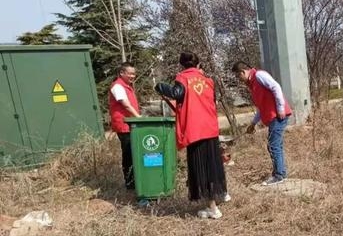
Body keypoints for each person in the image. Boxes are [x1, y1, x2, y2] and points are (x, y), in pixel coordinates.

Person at [155, 52, 229, 219]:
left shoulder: (183, 78)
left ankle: (212, 208)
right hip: (210, 127)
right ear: (198, 63)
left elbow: (176, 93)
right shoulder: (208, 81)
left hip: (195, 130)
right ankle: (223, 193)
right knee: (214, 163)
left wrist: (160, 87)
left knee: (201, 167)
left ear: (182, 65)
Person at [232, 61, 292, 185]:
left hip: (278, 115)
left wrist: (280, 108)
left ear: (243, 72)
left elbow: (276, 87)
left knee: (273, 146)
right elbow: (261, 106)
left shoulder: (259, 76)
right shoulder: (252, 84)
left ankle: (279, 175)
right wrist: (253, 123)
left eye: (238, 76)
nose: (239, 79)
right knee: (276, 146)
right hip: (273, 117)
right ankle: (280, 172)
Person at [109, 62, 141, 190]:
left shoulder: (127, 86)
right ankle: (130, 183)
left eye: (134, 73)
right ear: (122, 73)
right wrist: (138, 117)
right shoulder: (117, 86)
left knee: (133, 153)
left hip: (131, 124)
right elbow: (126, 104)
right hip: (124, 125)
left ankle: (136, 180)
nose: (133, 76)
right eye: (130, 73)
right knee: (128, 154)